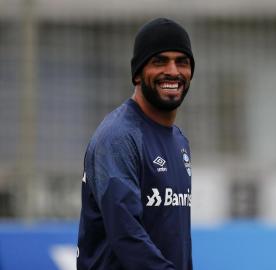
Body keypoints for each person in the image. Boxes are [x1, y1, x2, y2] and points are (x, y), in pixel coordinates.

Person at [77, 18, 195, 270]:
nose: (173, 71)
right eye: (160, 61)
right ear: (138, 74)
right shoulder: (118, 137)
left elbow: (177, 240)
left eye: (181, 62)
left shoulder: (179, 140)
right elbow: (126, 235)